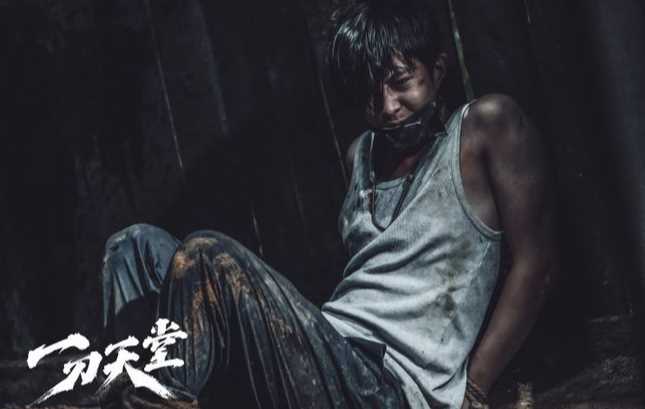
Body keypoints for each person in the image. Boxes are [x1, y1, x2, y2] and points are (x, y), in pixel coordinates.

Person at [96, 0, 558, 408]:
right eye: (371, 93)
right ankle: (145, 392)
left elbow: (535, 263)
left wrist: (474, 391)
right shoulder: (361, 155)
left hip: (386, 386)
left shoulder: (484, 127)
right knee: (132, 248)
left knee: (206, 256)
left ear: (437, 70)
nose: (388, 106)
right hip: (328, 358)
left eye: (401, 82)